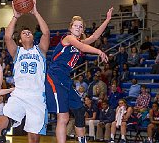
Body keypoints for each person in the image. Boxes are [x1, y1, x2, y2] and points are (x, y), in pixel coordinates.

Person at [46, 8, 112, 143]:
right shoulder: (68, 38)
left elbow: (94, 37)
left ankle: (82, 140)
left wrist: (107, 20)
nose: (78, 27)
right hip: (55, 77)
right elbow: (82, 48)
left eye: (80, 26)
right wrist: (99, 51)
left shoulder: (79, 41)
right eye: (76, 25)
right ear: (71, 27)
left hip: (66, 79)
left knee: (80, 110)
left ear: (82, 30)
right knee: (63, 117)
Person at [0, 0, 50, 143]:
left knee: (33, 137)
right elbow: (7, 37)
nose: (27, 33)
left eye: (29, 32)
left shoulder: (40, 50)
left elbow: (46, 33)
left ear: (33, 37)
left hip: (36, 96)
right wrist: (15, 17)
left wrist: (36, 13)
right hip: (18, 94)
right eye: (23, 33)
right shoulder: (17, 52)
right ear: (19, 40)